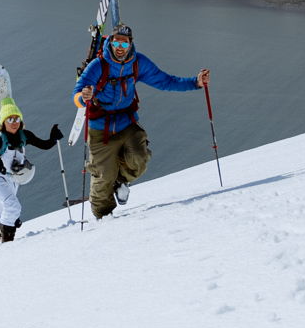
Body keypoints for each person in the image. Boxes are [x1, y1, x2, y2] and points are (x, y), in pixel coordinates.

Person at [73, 24, 209, 219]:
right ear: (111, 42)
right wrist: (83, 97)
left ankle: (120, 181)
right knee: (103, 177)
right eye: (117, 41)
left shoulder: (138, 63)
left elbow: (165, 81)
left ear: (130, 44)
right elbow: (77, 93)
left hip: (127, 122)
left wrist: (195, 83)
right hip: (100, 128)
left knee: (140, 158)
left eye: (124, 42)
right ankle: (103, 219)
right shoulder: (99, 65)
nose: (120, 46)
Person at [0, 97, 62, 247]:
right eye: (10, 119)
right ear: (3, 122)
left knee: (0, 206)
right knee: (12, 206)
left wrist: (53, 138)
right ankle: (7, 244)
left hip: (12, 178)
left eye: (17, 118)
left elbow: (44, 145)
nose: (14, 122)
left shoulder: (24, 135)